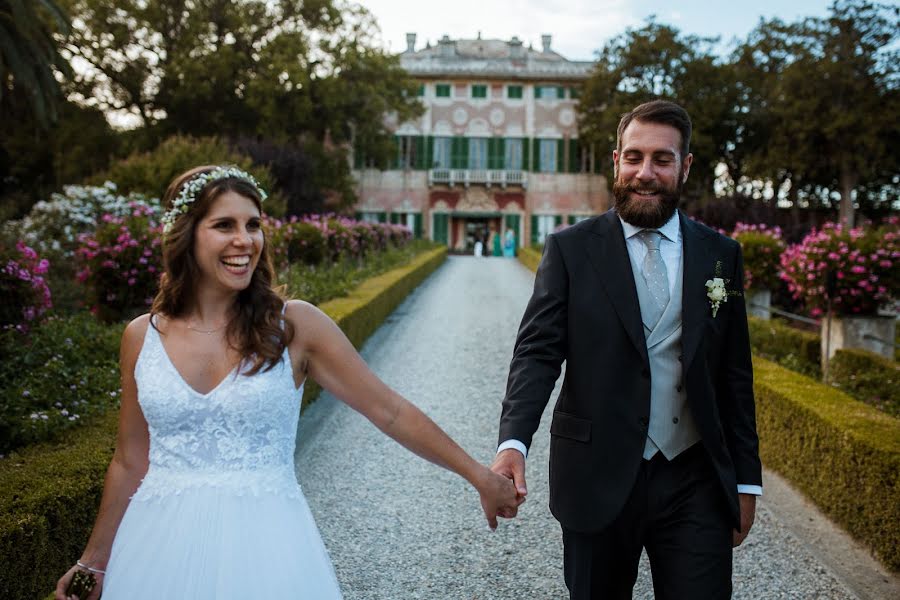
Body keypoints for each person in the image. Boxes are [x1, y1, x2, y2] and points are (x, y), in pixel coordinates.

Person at [56, 165, 520, 600]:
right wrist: (94, 561)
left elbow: (389, 410)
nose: (245, 241)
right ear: (185, 236)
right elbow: (130, 459)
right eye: (224, 226)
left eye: (253, 225)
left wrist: (478, 476)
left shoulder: (294, 325)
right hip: (154, 546)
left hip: (268, 546)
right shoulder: (141, 336)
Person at [491, 100, 761, 599]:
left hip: (695, 477)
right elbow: (537, 353)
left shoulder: (722, 254)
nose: (646, 172)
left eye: (662, 159)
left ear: (686, 166)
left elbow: (734, 374)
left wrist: (747, 482)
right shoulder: (571, 249)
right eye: (634, 157)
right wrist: (514, 442)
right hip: (596, 474)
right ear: (616, 161)